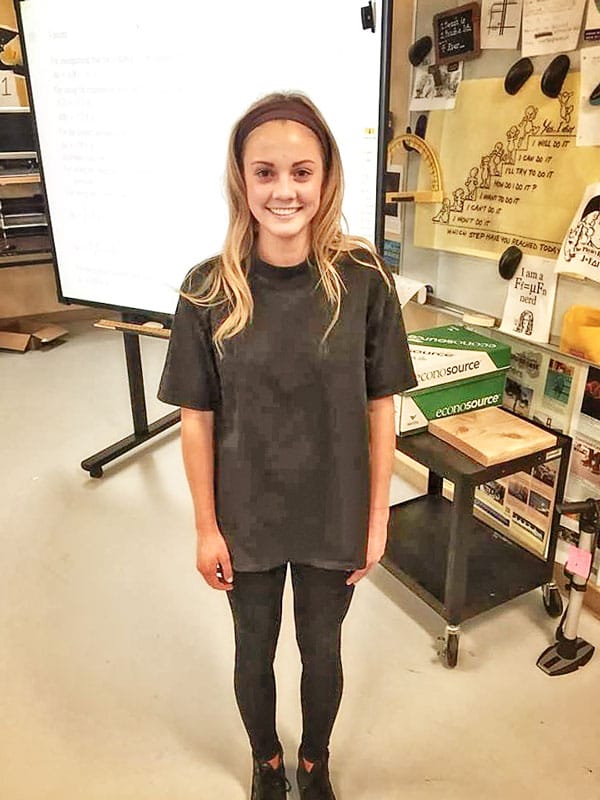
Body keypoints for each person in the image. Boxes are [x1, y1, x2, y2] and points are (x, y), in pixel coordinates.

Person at [158, 92, 416, 800]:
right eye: (265, 172)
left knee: (322, 651)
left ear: (325, 178)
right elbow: (196, 419)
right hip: (247, 515)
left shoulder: (363, 280)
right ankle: (267, 763)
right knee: (254, 649)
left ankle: (314, 764)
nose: (284, 190)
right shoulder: (208, 289)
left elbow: (381, 405)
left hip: (334, 509)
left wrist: (378, 518)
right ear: (240, 179)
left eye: (301, 172)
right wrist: (206, 527)